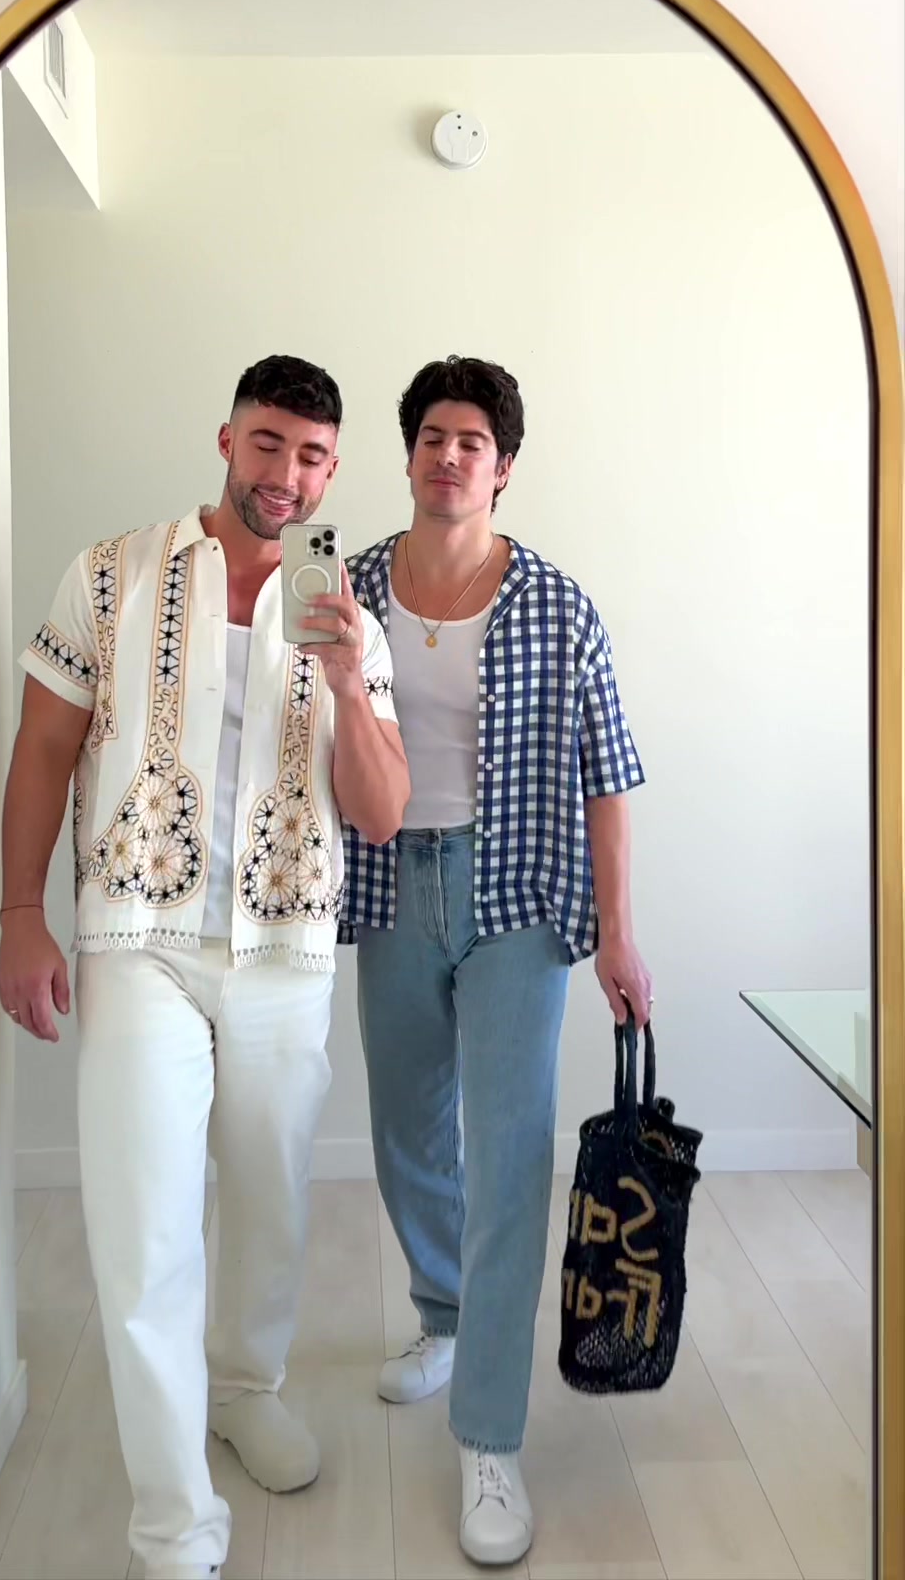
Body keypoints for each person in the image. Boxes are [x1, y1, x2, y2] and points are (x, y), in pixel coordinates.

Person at [0, 354, 409, 1580]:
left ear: (334, 470)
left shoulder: (351, 614)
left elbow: (382, 811)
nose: (288, 474)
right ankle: (175, 1527)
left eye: (313, 456)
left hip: (286, 949)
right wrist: (20, 910)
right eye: (268, 443)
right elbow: (42, 747)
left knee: (272, 1202)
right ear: (227, 440)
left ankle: (244, 1389)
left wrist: (348, 679)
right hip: (139, 940)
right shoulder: (111, 574)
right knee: (146, 1229)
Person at [344, 355, 651, 1568]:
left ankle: (489, 1437)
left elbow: (609, 775)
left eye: (472, 440)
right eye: (433, 435)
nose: (449, 454)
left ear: (503, 467)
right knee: (406, 1131)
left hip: (520, 893)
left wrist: (619, 930)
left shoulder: (559, 606)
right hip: (388, 884)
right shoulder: (352, 588)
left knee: (512, 1153)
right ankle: (445, 1312)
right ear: (409, 453)